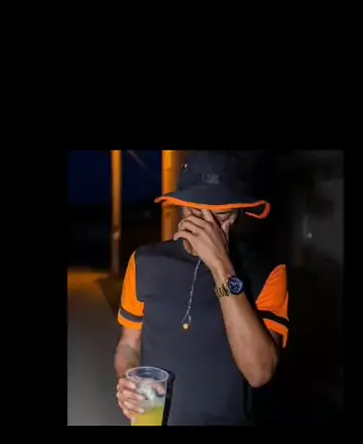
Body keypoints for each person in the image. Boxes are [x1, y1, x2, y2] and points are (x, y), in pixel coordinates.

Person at [115, 151, 289, 425]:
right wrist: (129, 380)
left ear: (239, 212)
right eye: (196, 212)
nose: (207, 226)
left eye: (222, 215)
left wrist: (222, 268)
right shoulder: (144, 262)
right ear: (180, 206)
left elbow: (259, 373)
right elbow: (128, 345)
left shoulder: (267, 273)